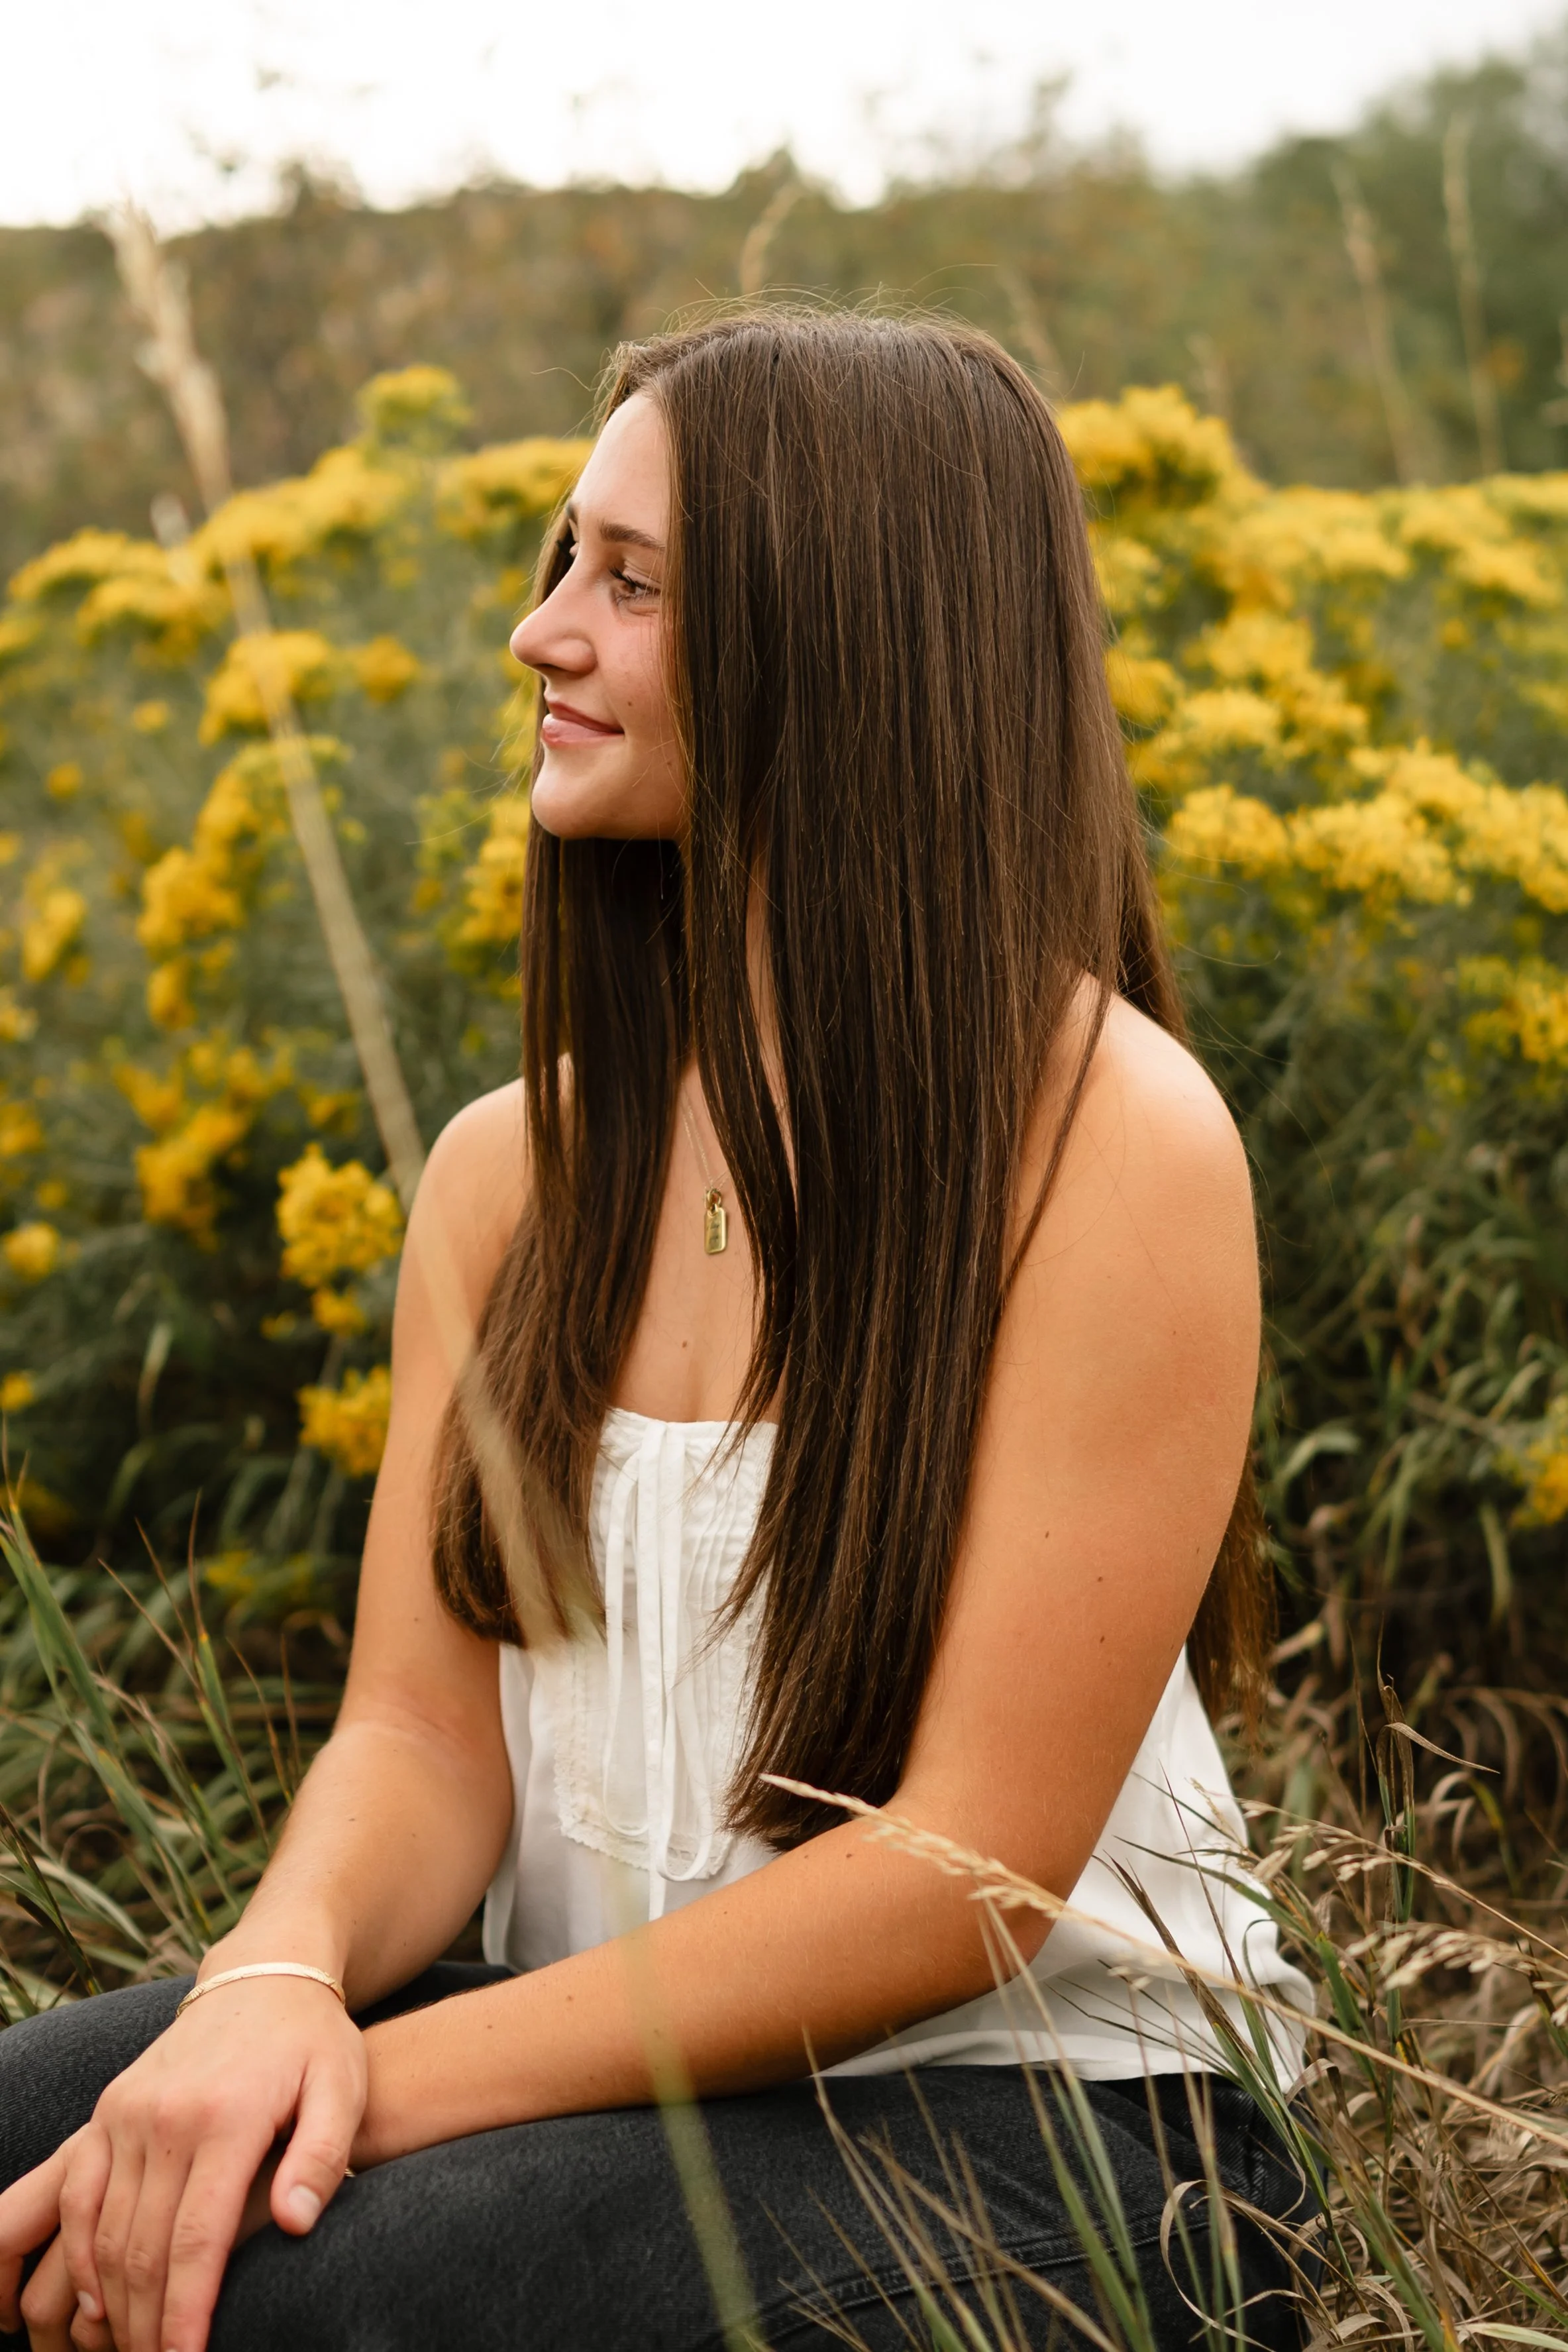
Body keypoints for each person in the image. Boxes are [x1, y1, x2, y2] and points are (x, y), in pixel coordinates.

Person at [0, 309, 1314, 2352]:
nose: (541, 632)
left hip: (1042, 2126)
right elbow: (419, 1739)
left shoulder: (1110, 1142)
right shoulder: (509, 1171)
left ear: (841, 642)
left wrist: (361, 2091)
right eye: (559, 558)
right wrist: (270, 1984)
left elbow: (956, 1875)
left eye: (630, 582)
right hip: (602, 2054)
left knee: (313, 2283)